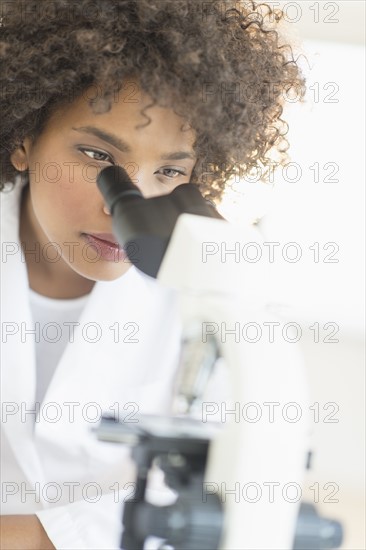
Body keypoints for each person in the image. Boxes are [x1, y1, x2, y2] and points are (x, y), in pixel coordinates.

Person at [0, 1, 305, 548]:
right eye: (97, 155)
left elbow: (225, 487)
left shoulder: (209, 287)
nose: (131, 199)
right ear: (23, 137)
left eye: (170, 171)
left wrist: (32, 536)